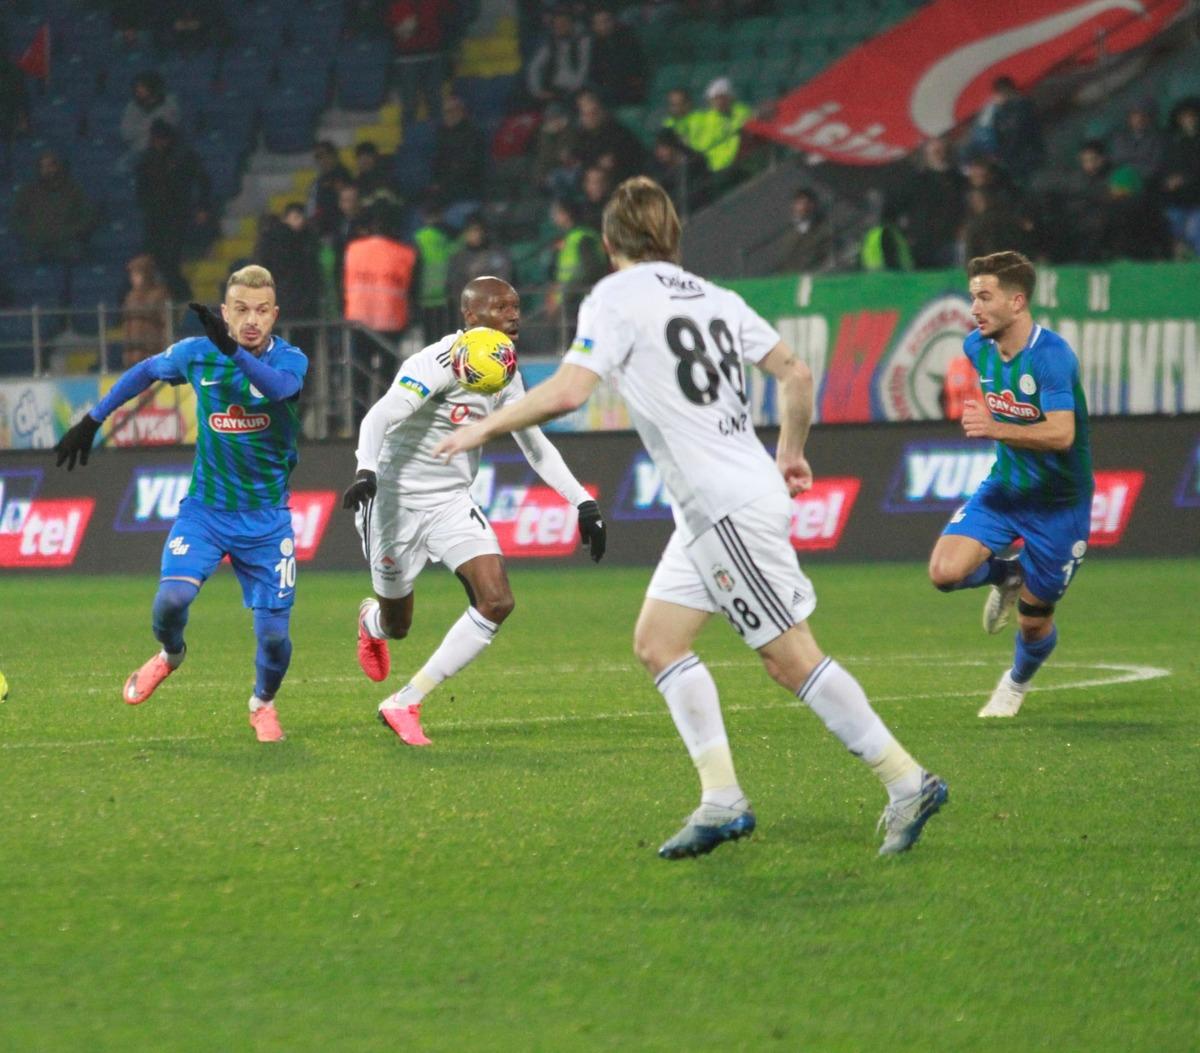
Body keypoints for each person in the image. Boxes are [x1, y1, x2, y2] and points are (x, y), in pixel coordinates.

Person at [433, 177, 947, 859]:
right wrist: (791, 453)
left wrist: (481, 427)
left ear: (610, 241)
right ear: (673, 235)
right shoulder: (717, 297)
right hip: (719, 503)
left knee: (790, 658)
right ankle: (721, 798)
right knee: (659, 641)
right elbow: (795, 374)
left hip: (724, 505)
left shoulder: (614, 296)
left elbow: (570, 390)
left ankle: (906, 779)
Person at [341, 275, 607, 746]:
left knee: (497, 600)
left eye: (515, 306)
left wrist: (582, 501)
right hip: (395, 502)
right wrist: (366, 470)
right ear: (470, 315)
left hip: (450, 502)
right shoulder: (436, 362)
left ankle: (405, 701)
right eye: (501, 307)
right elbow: (379, 415)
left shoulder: (504, 370)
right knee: (398, 625)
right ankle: (371, 622)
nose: (513, 315)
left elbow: (535, 445)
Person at [52, 266, 309, 742]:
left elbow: (280, 390)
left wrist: (232, 351)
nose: (251, 320)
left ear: (274, 315)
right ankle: (171, 655)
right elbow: (146, 371)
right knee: (170, 602)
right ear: (225, 312)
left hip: (267, 521)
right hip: (205, 511)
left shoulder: (290, 359)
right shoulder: (197, 354)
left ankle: (263, 703)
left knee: (275, 638)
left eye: (260, 311)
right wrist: (93, 419)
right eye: (240, 310)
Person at [927, 251, 1093, 718]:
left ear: (1017, 302)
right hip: (1005, 488)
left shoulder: (1052, 357)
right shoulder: (976, 347)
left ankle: (1015, 683)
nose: (974, 308)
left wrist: (995, 427)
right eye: (972, 297)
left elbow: (1062, 434)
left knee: (1034, 622)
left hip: (1059, 505)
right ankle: (1008, 574)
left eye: (985, 297)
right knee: (944, 573)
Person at [135, 119, 214, 300]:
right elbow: (141, 187)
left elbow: (203, 180)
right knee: (156, 258)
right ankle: (178, 295)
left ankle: (182, 296)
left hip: (177, 214)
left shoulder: (183, 156)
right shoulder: (147, 159)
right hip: (155, 216)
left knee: (170, 258)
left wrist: (202, 206)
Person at [11, 150, 98, 265]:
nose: (47, 170)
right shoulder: (27, 192)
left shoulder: (74, 190)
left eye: (50, 165)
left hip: (66, 240)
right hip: (37, 242)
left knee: (76, 255)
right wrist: (31, 232)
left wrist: (71, 231)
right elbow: (16, 217)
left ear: (58, 167)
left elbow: (87, 216)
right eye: (43, 166)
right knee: (28, 259)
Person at [121, 254, 170, 366]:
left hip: (153, 351)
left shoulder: (160, 294)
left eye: (137, 274)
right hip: (133, 352)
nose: (133, 278)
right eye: (132, 274)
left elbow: (167, 324)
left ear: (147, 274)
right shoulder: (130, 296)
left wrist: (164, 349)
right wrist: (127, 351)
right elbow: (127, 323)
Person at [774, 187, 833, 273]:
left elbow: (827, 258)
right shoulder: (787, 234)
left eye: (805, 203)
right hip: (789, 277)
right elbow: (782, 260)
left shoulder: (824, 231)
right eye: (798, 203)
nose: (801, 207)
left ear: (812, 206)